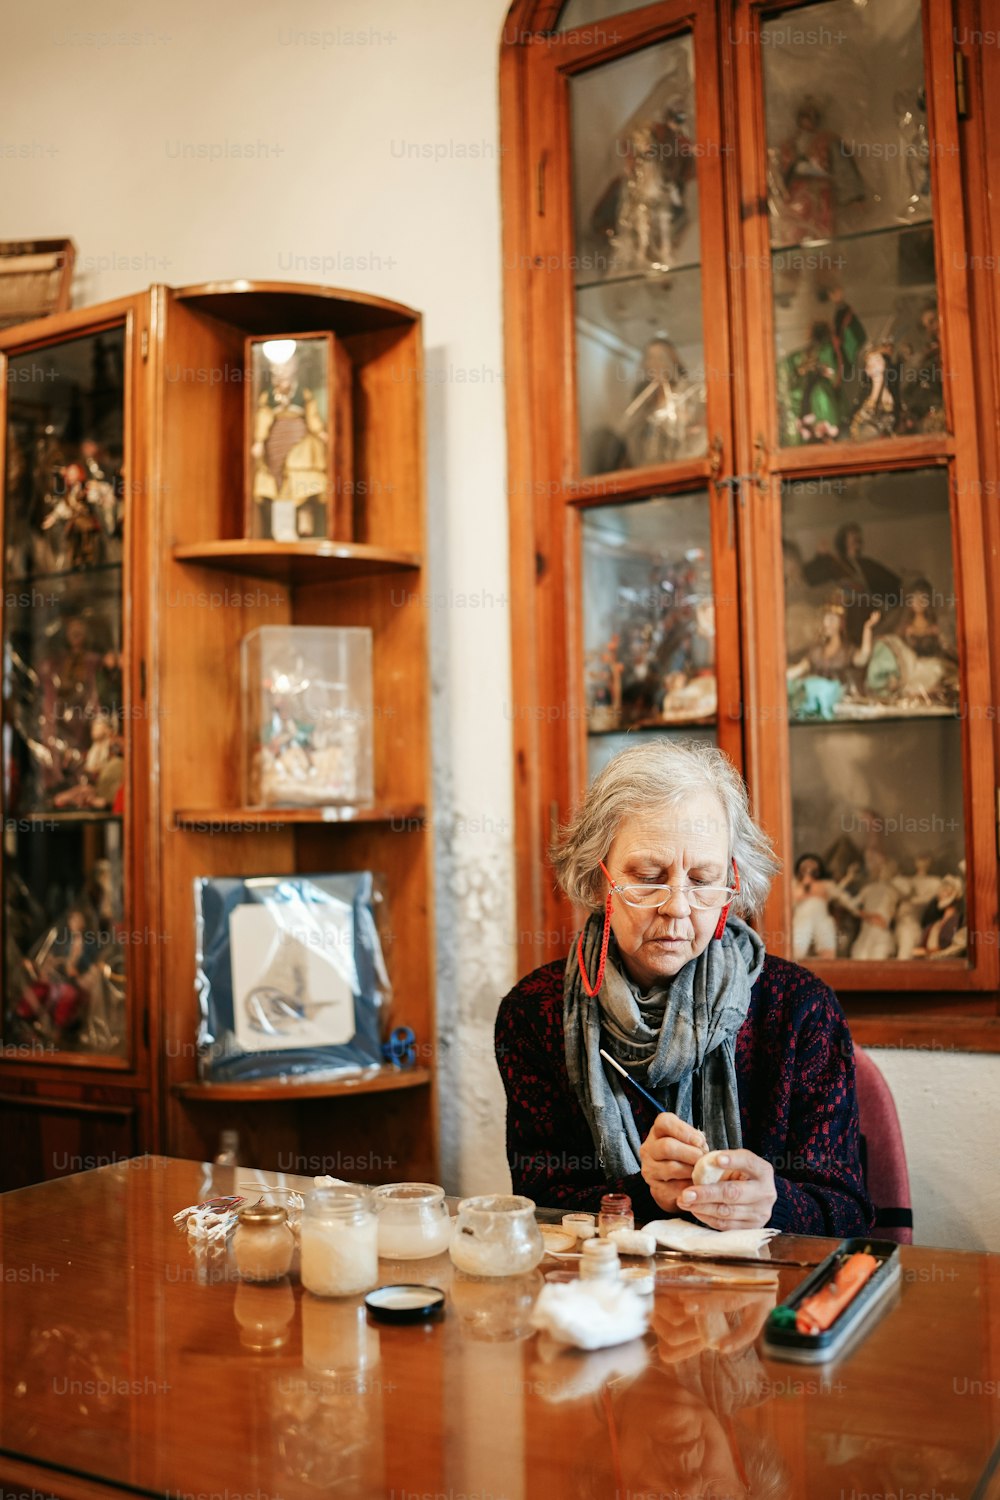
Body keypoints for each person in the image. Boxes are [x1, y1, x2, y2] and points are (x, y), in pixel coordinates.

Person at [495, 741, 874, 1235]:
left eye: (702, 880)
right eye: (649, 877)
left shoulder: (801, 1010)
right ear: (597, 878)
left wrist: (773, 1203)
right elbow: (541, 1207)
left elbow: (849, 1211)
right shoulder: (534, 1014)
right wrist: (646, 1195)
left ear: (733, 882)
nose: (677, 907)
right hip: (607, 1297)